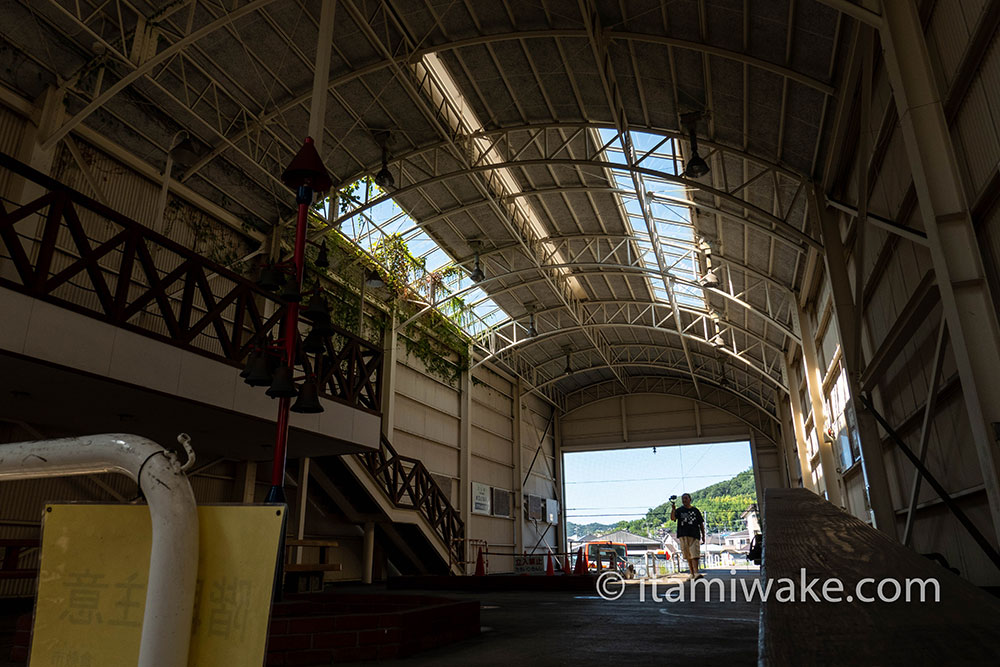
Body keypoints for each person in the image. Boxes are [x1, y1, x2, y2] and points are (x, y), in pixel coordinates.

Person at [670, 493, 706, 579]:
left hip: (694, 535)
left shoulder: (695, 511)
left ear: (690, 499)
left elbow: (701, 524)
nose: (684, 500)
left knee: (695, 554)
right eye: (683, 499)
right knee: (687, 555)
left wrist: (703, 535)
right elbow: (673, 518)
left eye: (686, 498)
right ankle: (692, 573)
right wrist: (673, 509)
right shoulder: (679, 510)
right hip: (683, 535)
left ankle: (696, 572)